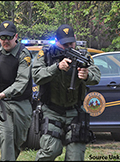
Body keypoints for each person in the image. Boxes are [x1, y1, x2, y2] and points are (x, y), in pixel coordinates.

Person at [32, 24, 101, 161]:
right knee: (51, 150)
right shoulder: (46, 54)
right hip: (52, 110)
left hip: (75, 111)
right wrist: (56, 67)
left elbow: (97, 75)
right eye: (65, 44)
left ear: (75, 38)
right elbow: (37, 76)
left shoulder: (83, 55)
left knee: (75, 156)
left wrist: (87, 75)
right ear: (56, 41)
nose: (69, 46)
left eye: (71, 42)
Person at [0, 20, 33, 161]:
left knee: (18, 140)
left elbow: (21, 82)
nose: (5, 41)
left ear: (16, 36)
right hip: (1, 102)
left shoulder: (23, 54)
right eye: (2, 37)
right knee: (7, 135)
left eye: (9, 37)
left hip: (20, 101)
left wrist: (4, 93)